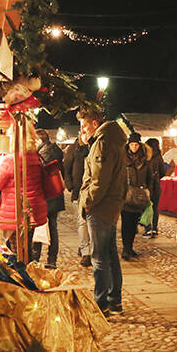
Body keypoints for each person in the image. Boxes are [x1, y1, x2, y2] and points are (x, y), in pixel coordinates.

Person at [78, 109, 127, 316]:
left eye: (84, 125)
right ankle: (114, 300)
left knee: (99, 257)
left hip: (101, 206)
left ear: (95, 123)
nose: (82, 130)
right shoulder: (113, 140)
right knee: (110, 253)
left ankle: (101, 304)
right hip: (111, 204)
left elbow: (99, 180)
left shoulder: (102, 142)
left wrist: (88, 202)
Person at [0, 124, 47, 255]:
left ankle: (23, 273)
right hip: (32, 210)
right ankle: (30, 270)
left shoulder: (10, 160)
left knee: (17, 252)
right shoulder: (35, 156)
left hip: (15, 211)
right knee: (26, 248)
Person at [32, 129, 65, 269]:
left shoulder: (43, 154)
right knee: (52, 227)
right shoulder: (55, 151)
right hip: (55, 197)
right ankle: (51, 259)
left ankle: (37, 257)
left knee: (41, 225)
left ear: (39, 140)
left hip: (47, 196)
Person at [121, 132, 154, 260]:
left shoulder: (145, 160)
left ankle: (129, 247)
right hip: (126, 195)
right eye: (132, 144)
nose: (134, 147)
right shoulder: (123, 159)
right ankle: (125, 248)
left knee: (134, 223)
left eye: (136, 145)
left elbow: (150, 177)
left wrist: (148, 191)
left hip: (139, 196)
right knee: (126, 222)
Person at [63, 129, 92, 266]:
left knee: (91, 222)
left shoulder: (95, 147)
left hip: (93, 191)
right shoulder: (73, 149)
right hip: (79, 190)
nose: (86, 136)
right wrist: (70, 186)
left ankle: (87, 247)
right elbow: (66, 169)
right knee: (82, 222)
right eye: (84, 133)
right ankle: (86, 251)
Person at [143, 138, 166, 238]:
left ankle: (148, 228)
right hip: (156, 185)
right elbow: (163, 172)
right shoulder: (159, 157)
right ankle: (154, 228)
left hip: (146, 185)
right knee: (155, 207)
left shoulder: (145, 156)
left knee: (146, 207)